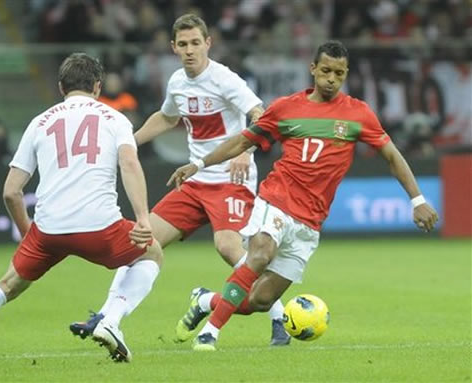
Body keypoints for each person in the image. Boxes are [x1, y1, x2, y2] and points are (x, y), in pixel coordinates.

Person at [167, 40, 439, 351]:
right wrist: (198, 163)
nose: (331, 78)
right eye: (325, 70)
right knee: (259, 255)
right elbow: (242, 142)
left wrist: (417, 200)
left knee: (260, 299)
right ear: (313, 69)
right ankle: (210, 334)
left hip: (310, 222)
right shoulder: (286, 108)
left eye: (338, 73)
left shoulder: (358, 114)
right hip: (276, 200)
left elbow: (392, 155)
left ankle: (205, 301)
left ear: (346, 74)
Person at [69, 14, 290, 346]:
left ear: (208, 43)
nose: (190, 51)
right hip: (195, 180)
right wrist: (129, 140)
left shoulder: (224, 79)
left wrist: (246, 149)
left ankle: (279, 319)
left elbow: (260, 113)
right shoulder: (177, 83)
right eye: (183, 44)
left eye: (195, 43)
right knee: (138, 240)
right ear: (174, 47)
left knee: (228, 246)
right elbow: (167, 117)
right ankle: (106, 317)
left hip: (232, 178)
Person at [0, 53, 162, 363]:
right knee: (152, 251)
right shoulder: (115, 118)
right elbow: (129, 164)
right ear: (97, 86)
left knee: (9, 285)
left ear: (61, 87)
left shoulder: (39, 122)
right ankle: (111, 321)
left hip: (49, 230)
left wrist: (28, 234)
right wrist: (143, 218)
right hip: (100, 228)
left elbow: (11, 192)